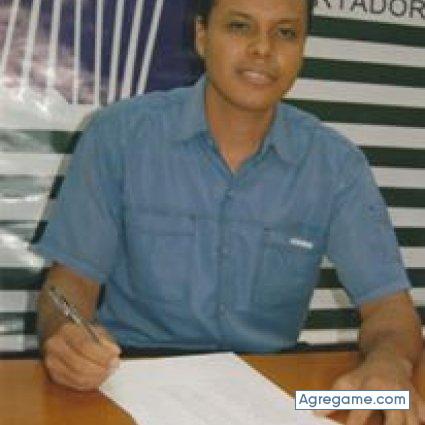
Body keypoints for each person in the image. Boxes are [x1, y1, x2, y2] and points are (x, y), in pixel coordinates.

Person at [35, 0, 424, 423]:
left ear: (303, 48)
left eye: (286, 33)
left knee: (380, 407)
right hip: (130, 379)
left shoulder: (336, 164)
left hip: (277, 389)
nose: (263, 48)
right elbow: (68, 285)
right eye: (240, 27)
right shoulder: (119, 136)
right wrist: (66, 337)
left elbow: (390, 310)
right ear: (202, 36)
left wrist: (390, 364)